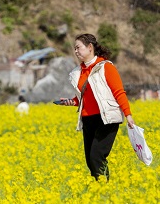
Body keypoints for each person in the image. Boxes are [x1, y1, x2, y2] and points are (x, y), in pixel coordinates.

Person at [57, 34, 135, 181]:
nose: (76, 51)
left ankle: (104, 188)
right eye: (75, 48)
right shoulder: (77, 72)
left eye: (78, 47)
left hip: (106, 118)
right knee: (90, 160)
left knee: (97, 156)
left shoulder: (105, 67)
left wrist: (128, 115)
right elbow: (84, 97)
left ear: (90, 47)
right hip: (88, 120)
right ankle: (98, 191)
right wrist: (71, 101)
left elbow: (118, 92)